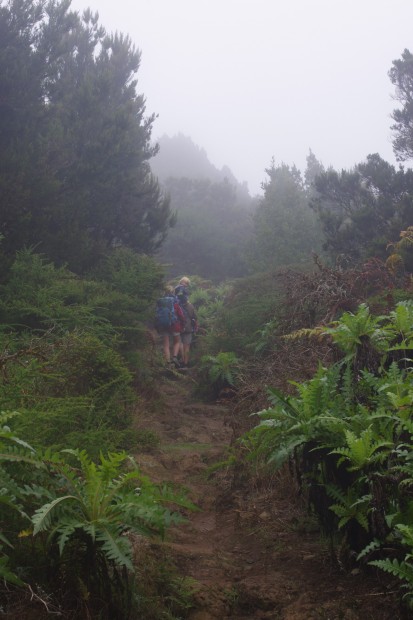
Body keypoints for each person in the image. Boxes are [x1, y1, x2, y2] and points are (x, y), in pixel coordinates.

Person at [157, 286, 185, 367]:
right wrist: (183, 324)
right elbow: (181, 315)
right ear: (173, 292)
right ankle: (175, 357)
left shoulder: (160, 303)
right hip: (174, 325)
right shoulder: (175, 302)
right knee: (177, 341)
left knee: (166, 344)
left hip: (164, 325)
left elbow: (157, 315)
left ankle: (168, 362)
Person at [179, 297, 197, 368]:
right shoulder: (190, 306)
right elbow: (195, 317)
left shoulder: (177, 305)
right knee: (187, 346)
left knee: (179, 344)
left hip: (179, 328)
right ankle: (185, 363)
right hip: (188, 328)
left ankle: (181, 360)